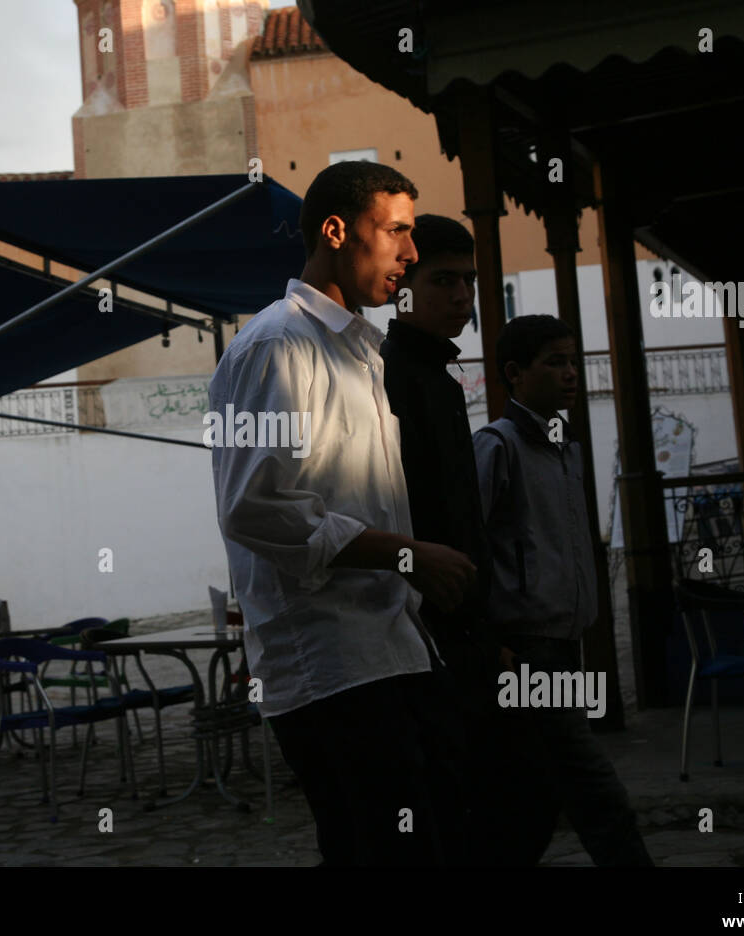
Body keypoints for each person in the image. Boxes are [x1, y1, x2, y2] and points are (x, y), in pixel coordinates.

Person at [208, 161, 476, 866]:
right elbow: (257, 508)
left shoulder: (360, 354)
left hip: (391, 644)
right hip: (328, 662)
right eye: (395, 232)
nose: (410, 255)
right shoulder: (277, 346)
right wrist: (406, 554)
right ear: (335, 230)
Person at [381, 214, 558, 865]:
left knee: (521, 795)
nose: (462, 296)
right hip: (434, 637)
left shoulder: (435, 378)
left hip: (470, 633)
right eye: (445, 281)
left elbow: (464, 519)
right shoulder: (392, 381)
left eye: (470, 282)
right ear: (405, 286)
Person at [471, 314, 653, 867]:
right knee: (594, 789)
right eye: (554, 362)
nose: (571, 374)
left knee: (535, 799)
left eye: (574, 361)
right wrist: (482, 639)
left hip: (563, 643)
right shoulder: (496, 446)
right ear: (514, 374)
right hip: (526, 650)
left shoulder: (567, 447)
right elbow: (466, 546)